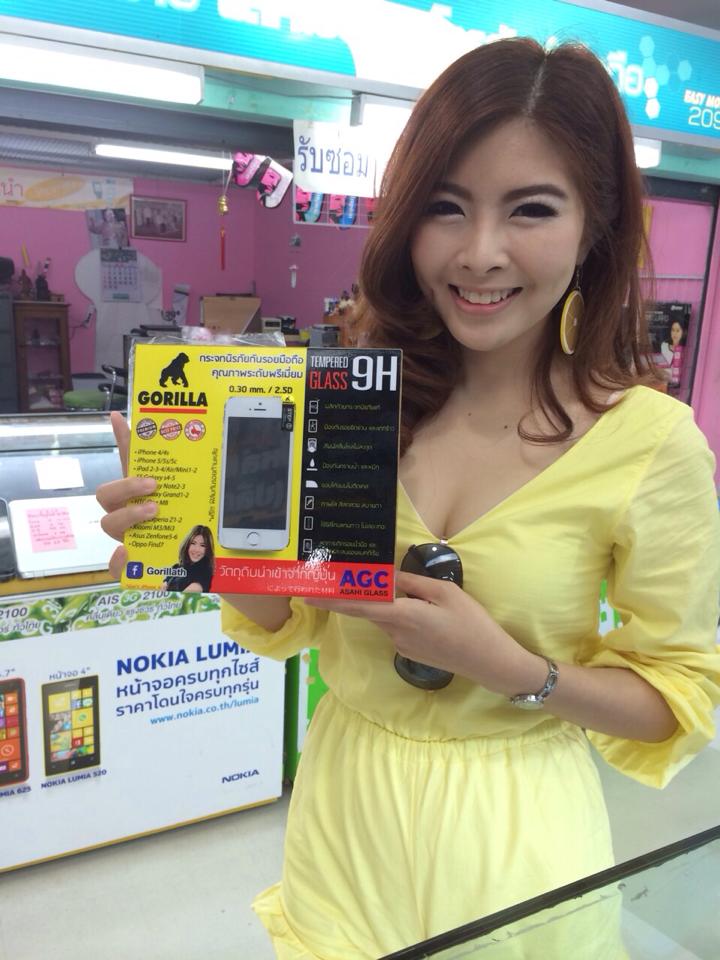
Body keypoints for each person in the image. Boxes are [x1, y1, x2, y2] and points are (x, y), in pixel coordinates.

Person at [97, 38, 720, 960]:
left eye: (531, 209)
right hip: (344, 822)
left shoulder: (650, 443)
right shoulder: (350, 403)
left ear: (594, 226)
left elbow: (678, 699)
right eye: (445, 207)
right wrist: (202, 549)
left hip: (519, 845)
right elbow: (292, 617)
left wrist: (512, 668)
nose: (479, 253)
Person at [161, 524, 214, 593]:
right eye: (193, 543)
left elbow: (184, 597)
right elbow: (163, 589)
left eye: (202, 545)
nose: (197, 549)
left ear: (208, 549)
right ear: (187, 544)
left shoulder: (203, 573)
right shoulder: (176, 567)